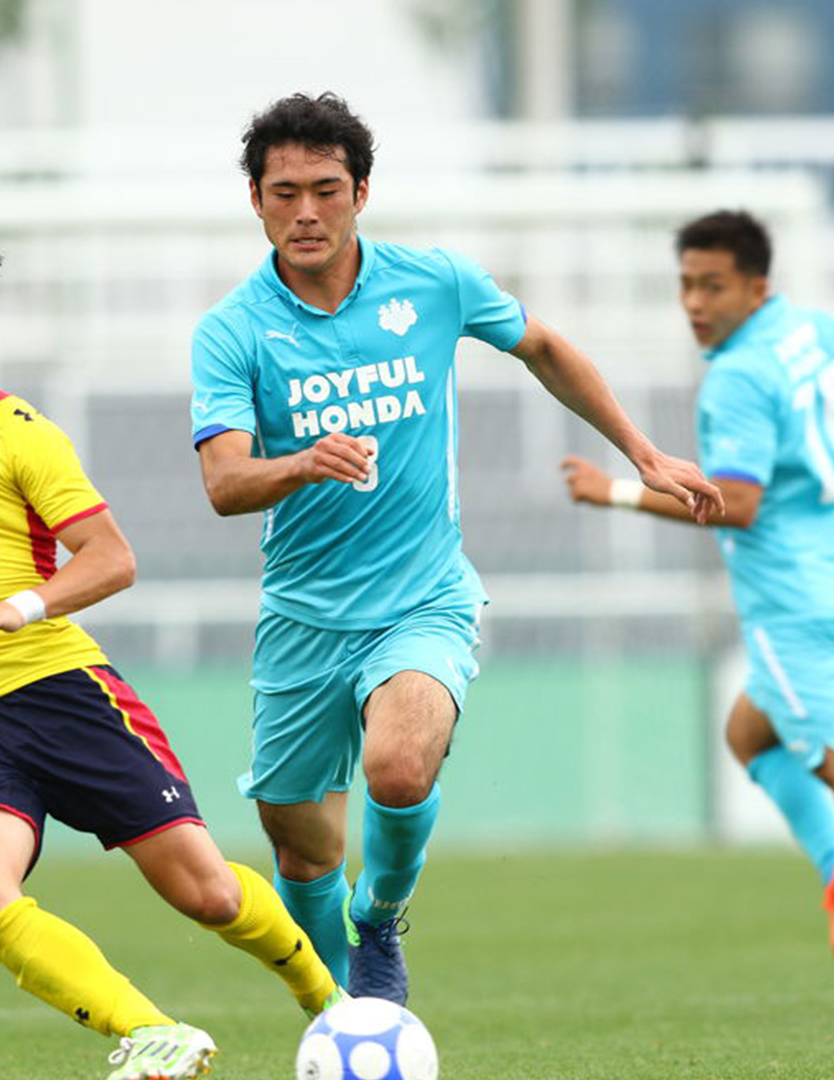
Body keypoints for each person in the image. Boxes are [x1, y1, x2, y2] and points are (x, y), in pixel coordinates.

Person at [189, 92, 722, 1005]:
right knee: (298, 844)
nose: (306, 212)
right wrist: (300, 463)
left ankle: (383, 918)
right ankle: (342, 1015)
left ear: (361, 191)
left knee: (399, 765)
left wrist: (639, 450)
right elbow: (225, 485)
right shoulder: (232, 331)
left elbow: (544, 347)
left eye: (326, 188)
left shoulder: (432, 283)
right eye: (285, 193)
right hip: (303, 618)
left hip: (422, 596)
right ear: (256, 200)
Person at [0, 213, 344, 1080]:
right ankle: (150, 1031)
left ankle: (331, 1001)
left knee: (206, 893)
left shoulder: (22, 434)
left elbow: (113, 558)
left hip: (61, 694)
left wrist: (17, 609)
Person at [562, 209, 834, 946]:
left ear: (755, 285)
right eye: (686, 285)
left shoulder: (738, 378)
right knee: (749, 733)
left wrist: (615, 491)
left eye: (714, 287)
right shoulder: (811, 329)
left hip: (794, 604)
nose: (695, 305)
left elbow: (737, 503)